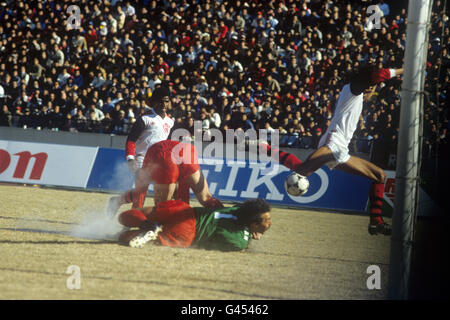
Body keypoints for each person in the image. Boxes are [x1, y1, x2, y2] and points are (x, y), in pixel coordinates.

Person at [256, 65, 403, 236]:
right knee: (303, 170)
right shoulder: (352, 89)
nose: (373, 91)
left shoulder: (357, 95)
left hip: (341, 149)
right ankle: (263, 148)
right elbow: (379, 75)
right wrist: (403, 70)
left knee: (380, 176)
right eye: (372, 87)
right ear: (367, 82)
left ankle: (376, 221)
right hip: (332, 143)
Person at [108, 138, 223, 217]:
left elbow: (183, 203)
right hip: (163, 154)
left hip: (167, 152)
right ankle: (228, 217)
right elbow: (140, 195)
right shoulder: (148, 120)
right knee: (204, 199)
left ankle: (117, 201)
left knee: (163, 208)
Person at [117, 198, 272, 251]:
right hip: (187, 233)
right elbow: (210, 245)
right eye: (267, 220)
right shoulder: (240, 241)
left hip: (184, 212)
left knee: (126, 217)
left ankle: (146, 224)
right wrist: (248, 240)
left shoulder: (240, 209)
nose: (270, 223)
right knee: (124, 237)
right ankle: (151, 232)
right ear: (254, 223)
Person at [125, 86, 174, 180]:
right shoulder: (144, 118)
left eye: (166, 101)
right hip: (143, 160)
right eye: (161, 101)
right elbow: (131, 140)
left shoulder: (170, 121)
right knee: (140, 193)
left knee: (172, 188)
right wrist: (130, 159)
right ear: (154, 102)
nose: (164, 104)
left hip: (161, 161)